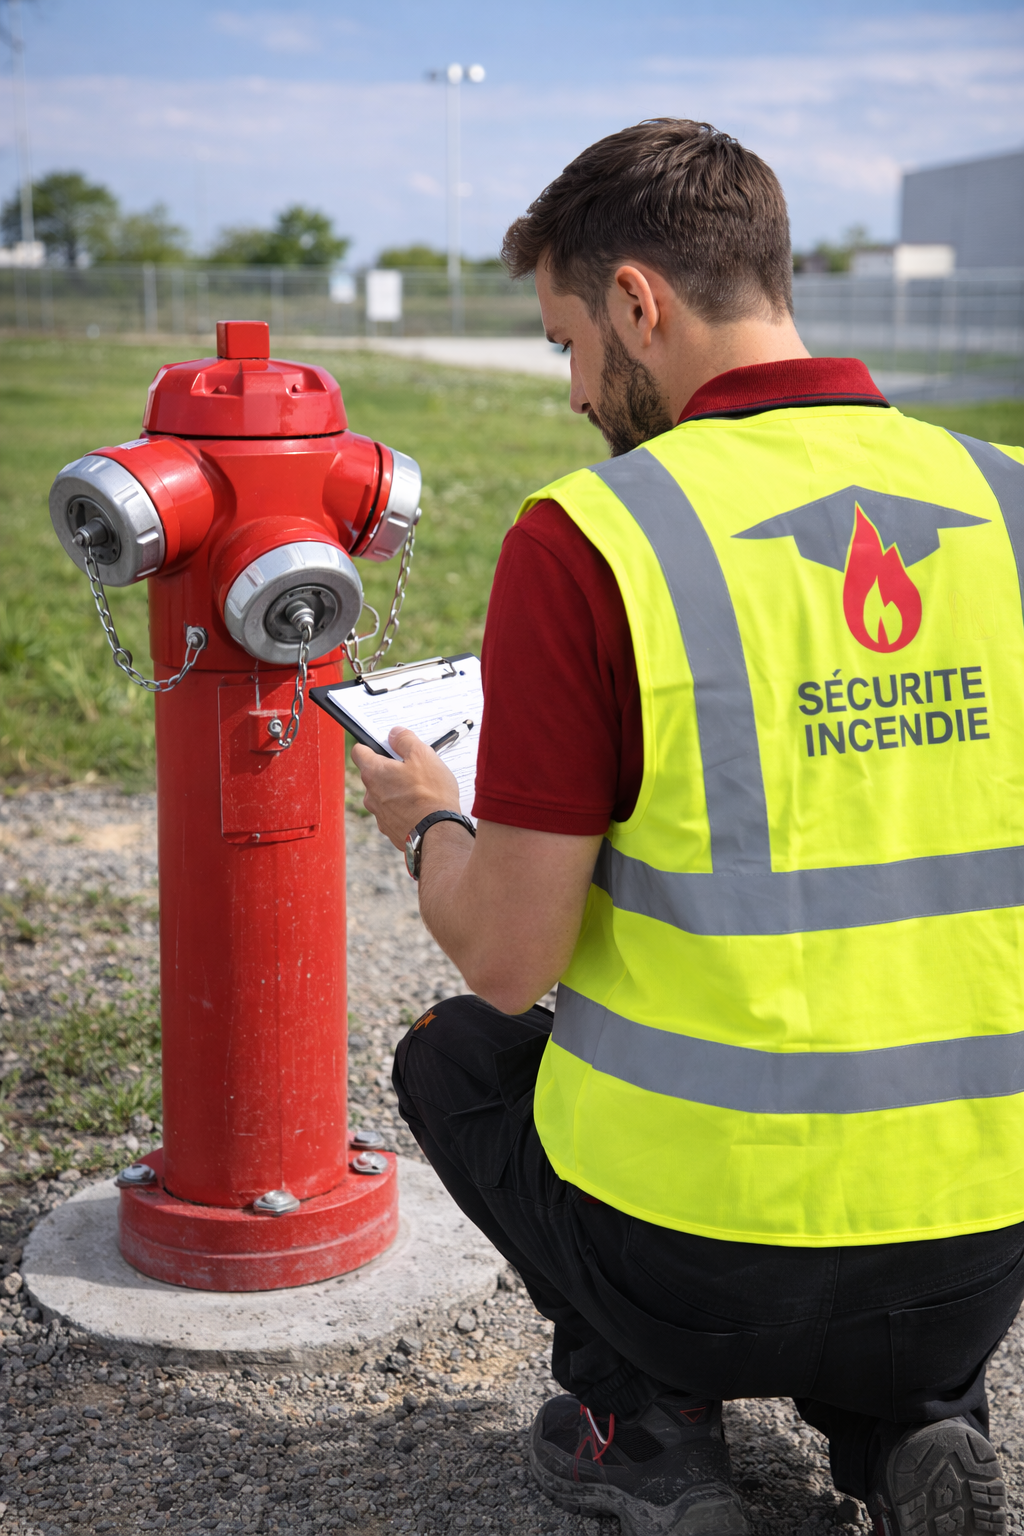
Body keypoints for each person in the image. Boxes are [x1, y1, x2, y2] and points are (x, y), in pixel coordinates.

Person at [353, 118, 1024, 1536]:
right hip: (978, 1249)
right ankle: (913, 1416)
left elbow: (511, 961)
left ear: (636, 301)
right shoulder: (1008, 501)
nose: (575, 390)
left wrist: (428, 825)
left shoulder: (592, 538)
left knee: (455, 1056)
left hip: (699, 1266)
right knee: (898, 1291)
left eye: (568, 344)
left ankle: (641, 1427)